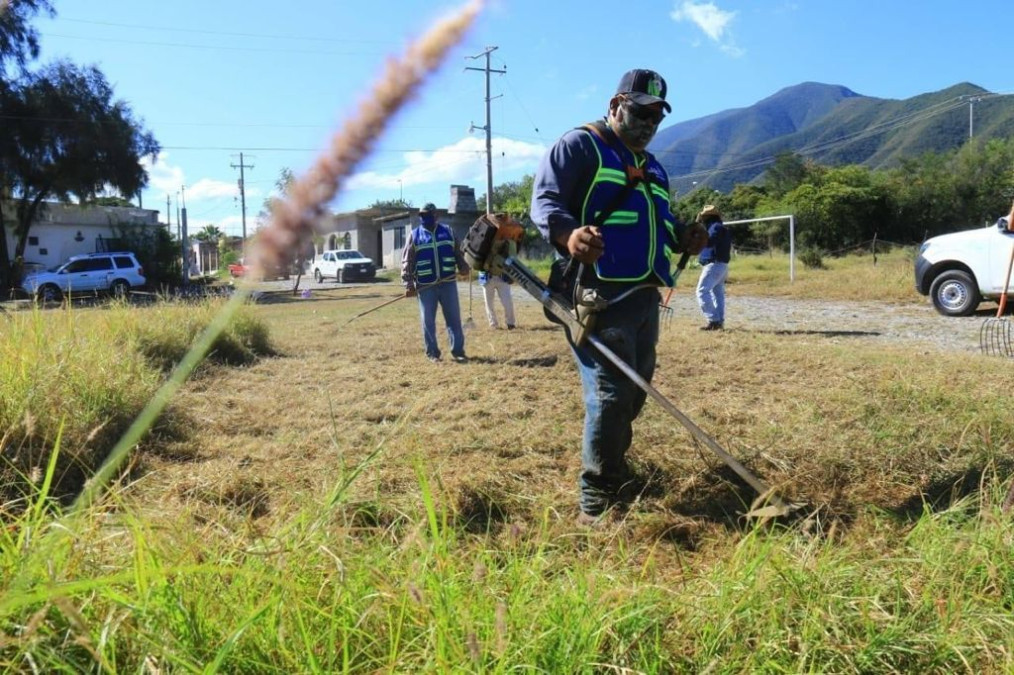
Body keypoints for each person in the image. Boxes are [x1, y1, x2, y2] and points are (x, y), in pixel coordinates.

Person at [530, 68, 707, 524]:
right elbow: (546, 202)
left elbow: (661, 221)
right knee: (611, 393)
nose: (648, 123)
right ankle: (597, 499)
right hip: (598, 292)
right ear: (614, 105)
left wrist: (682, 237)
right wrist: (570, 236)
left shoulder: (654, 166)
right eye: (639, 111)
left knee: (635, 389)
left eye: (656, 116)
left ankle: (614, 464)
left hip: (645, 295)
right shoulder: (579, 146)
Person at [401, 202, 470, 363]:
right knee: (428, 321)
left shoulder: (448, 232)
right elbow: (407, 261)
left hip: (448, 283)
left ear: (436, 215)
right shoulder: (415, 235)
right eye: (422, 216)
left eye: (427, 215)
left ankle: (458, 351)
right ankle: (432, 353)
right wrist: (409, 285)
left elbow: (458, 253)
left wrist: (463, 266)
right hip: (426, 286)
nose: (424, 218)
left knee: (454, 319)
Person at [694, 204, 732, 331]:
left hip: (714, 264)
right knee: (718, 293)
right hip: (722, 265)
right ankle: (719, 321)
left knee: (702, 291)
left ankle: (713, 320)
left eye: (704, 217)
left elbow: (709, 242)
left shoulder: (715, 228)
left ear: (708, 217)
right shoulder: (719, 227)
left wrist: (697, 237)